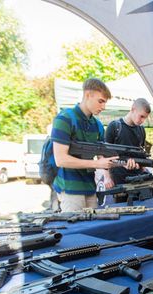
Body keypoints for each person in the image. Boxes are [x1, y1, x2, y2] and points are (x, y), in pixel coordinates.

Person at [51, 78, 118, 212]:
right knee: (73, 225)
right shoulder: (65, 119)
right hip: (70, 189)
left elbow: (102, 156)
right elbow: (61, 159)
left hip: (90, 188)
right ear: (88, 95)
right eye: (100, 101)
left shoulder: (97, 125)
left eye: (105, 102)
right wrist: (96, 164)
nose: (103, 107)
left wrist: (123, 162)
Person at [105, 98, 152, 187]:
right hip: (118, 180)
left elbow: (141, 154)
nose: (143, 121)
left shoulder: (141, 130)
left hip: (138, 179)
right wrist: (107, 178)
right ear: (133, 109)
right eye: (141, 116)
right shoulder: (114, 126)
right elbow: (105, 155)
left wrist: (142, 167)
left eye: (145, 118)